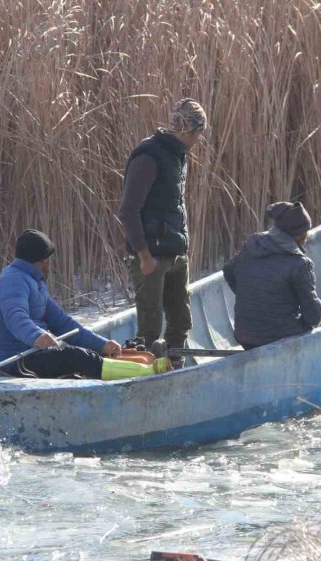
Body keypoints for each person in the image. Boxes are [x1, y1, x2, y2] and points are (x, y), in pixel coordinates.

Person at [0, 229, 171, 380]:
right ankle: (147, 375)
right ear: (40, 260)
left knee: (88, 355)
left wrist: (102, 345)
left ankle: (133, 369)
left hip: (31, 356)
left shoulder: (34, 282)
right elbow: (15, 318)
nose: (50, 264)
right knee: (76, 357)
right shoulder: (13, 281)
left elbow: (64, 324)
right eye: (48, 259)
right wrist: (36, 335)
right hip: (11, 363)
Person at [118, 98, 207, 367]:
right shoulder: (149, 156)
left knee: (181, 321)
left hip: (175, 252)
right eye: (198, 133)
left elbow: (174, 206)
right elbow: (128, 210)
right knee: (149, 328)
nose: (199, 139)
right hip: (151, 257)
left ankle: (174, 369)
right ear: (188, 131)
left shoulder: (177, 154)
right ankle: (145, 377)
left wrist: (183, 247)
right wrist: (144, 256)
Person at [223, 201, 321, 349]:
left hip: (244, 336)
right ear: (299, 235)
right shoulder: (300, 264)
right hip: (279, 338)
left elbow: (228, 271)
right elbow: (314, 316)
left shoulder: (252, 244)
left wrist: (251, 295)